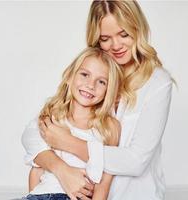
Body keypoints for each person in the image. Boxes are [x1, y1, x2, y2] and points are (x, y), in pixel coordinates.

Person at [22, 1, 173, 200]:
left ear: (137, 29)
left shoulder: (158, 83)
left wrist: (68, 142)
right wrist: (62, 170)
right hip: (78, 192)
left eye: (124, 34)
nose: (116, 45)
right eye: (105, 38)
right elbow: (34, 133)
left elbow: (136, 161)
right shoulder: (92, 74)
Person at [22, 47, 122, 200]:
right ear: (70, 76)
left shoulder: (108, 128)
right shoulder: (53, 118)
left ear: (108, 90)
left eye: (101, 82)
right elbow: (36, 171)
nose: (91, 85)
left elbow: (104, 183)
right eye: (84, 74)